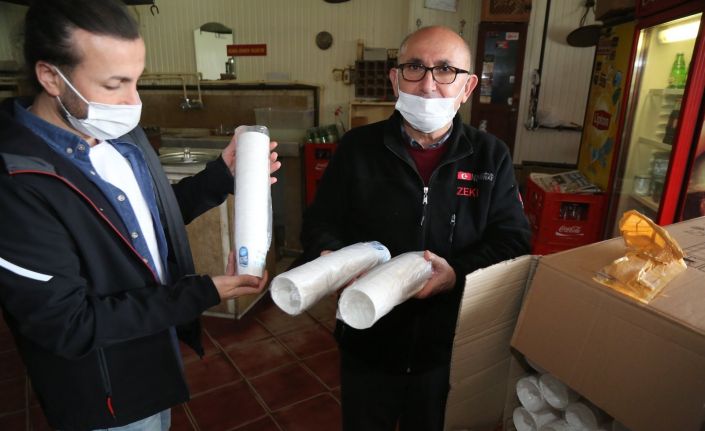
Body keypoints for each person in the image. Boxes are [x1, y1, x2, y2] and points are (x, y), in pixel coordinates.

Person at [0, 1, 279, 430]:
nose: (133, 102)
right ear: (51, 77)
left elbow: (146, 224)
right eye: (115, 84)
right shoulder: (17, 183)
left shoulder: (120, 136)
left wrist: (220, 177)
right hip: (105, 391)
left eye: (137, 80)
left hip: (154, 359)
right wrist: (201, 293)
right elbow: (67, 325)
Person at [301, 26, 531, 431]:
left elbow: (513, 241)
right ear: (395, 79)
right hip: (367, 335)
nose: (427, 85)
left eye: (445, 70)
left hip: (448, 345)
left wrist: (455, 274)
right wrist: (330, 257)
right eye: (414, 67)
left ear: (468, 87)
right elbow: (320, 221)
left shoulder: (490, 156)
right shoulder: (357, 148)